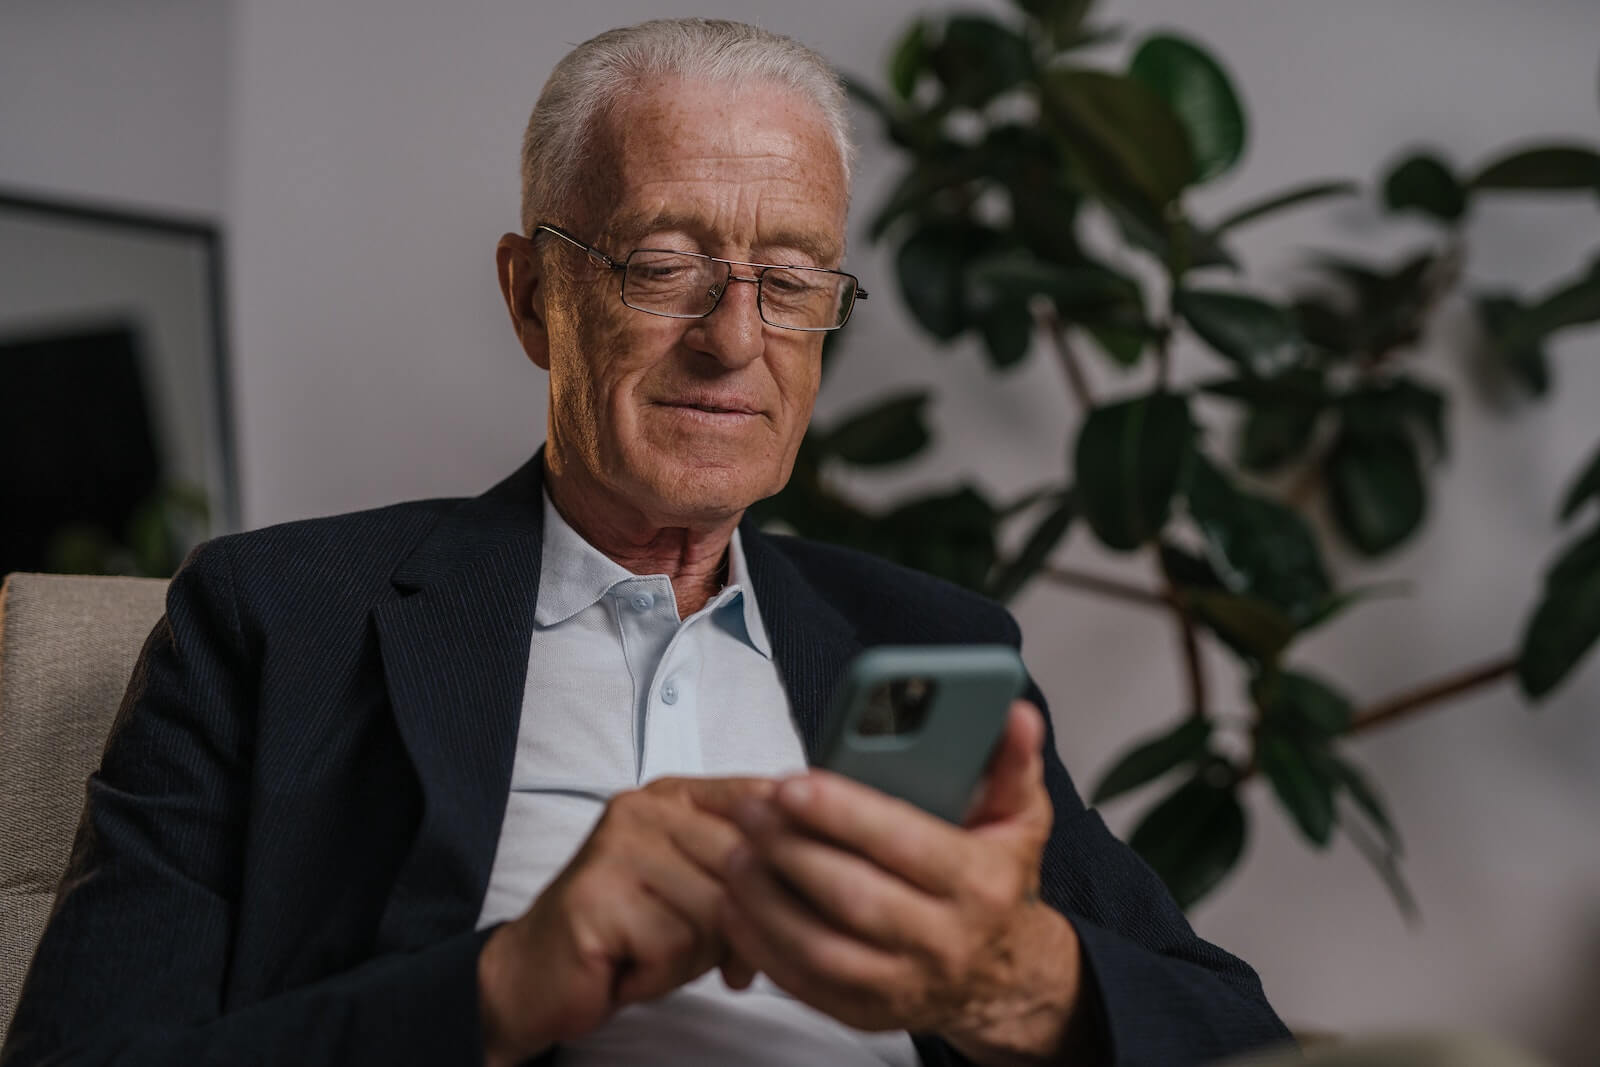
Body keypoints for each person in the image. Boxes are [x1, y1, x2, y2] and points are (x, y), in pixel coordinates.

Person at [2, 18, 1292, 1067]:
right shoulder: (280, 618)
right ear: (531, 300)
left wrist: (1013, 977)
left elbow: (1240, 1035)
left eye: (792, 281)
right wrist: (503, 987)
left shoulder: (929, 644)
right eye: (664, 262)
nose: (736, 339)